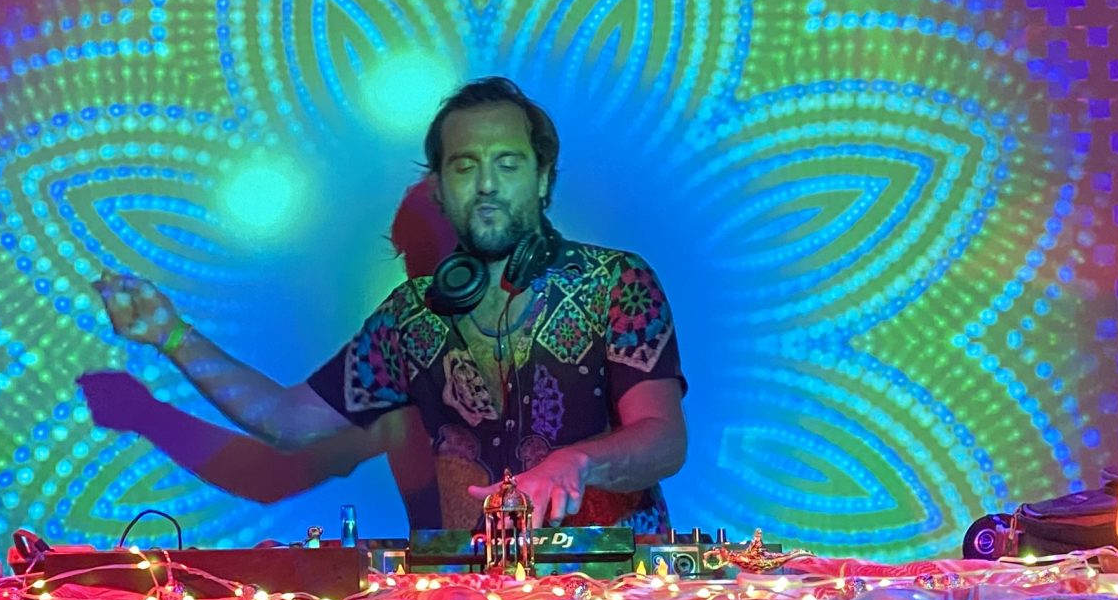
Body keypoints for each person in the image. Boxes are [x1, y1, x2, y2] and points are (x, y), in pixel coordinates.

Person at [93, 76, 687, 529]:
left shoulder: (617, 282)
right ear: (441, 188)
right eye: (465, 166)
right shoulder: (411, 317)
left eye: (508, 164)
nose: (486, 184)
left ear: (543, 178)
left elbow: (662, 436)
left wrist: (576, 463)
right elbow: (287, 420)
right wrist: (171, 335)